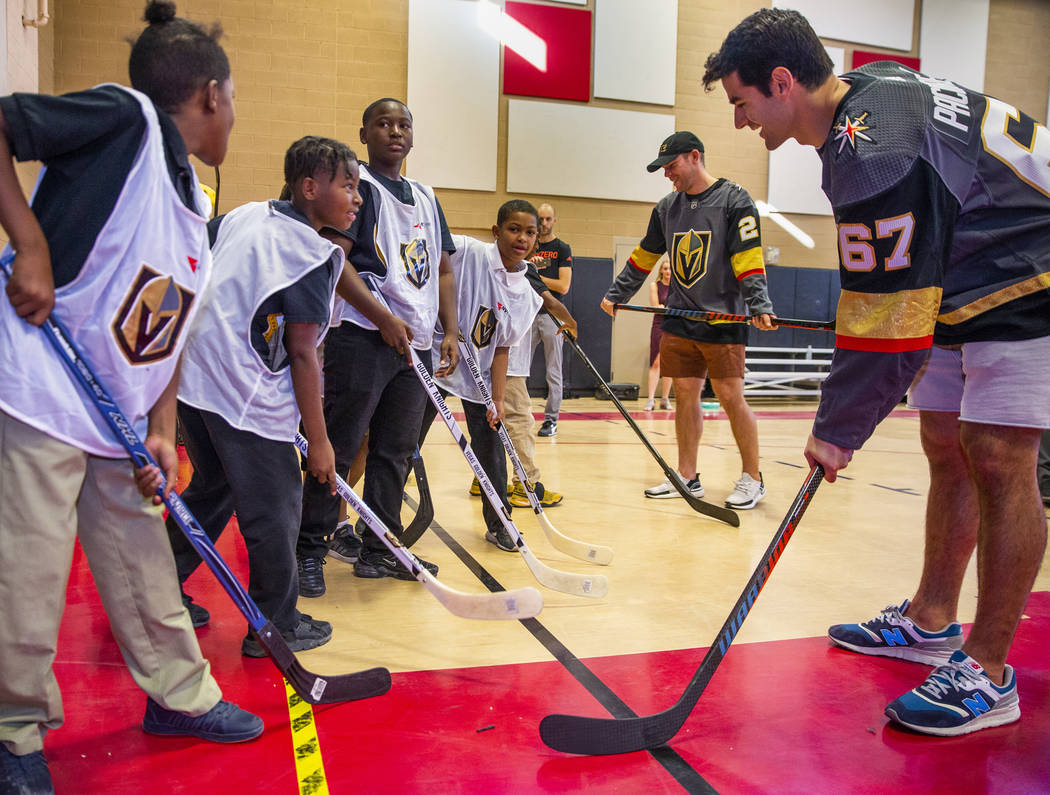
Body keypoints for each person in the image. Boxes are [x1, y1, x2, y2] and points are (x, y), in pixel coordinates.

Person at [703, 8, 1050, 736]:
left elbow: (884, 322)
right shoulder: (867, 97)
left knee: (997, 453)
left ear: (782, 82)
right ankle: (930, 618)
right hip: (966, 269)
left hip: (1030, 267)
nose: (739, 122)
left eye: (741, 102)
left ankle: (987, 669)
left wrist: (835, 431)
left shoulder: (871, 148)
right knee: (944, 446)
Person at [0, 3, 262, 791]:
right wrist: (31, 242)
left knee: (145, 565)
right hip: (43, 389)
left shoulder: (196, 205)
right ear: (211, 95)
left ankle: (178, 696)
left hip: (116, 416)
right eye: (234, 99)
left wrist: (161, 426)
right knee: (29, 571)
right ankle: (12, 732)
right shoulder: (125, 120)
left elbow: (169, 331)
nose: (234, 115)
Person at [166, 136, 359, 654]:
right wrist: (319, 442)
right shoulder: (310, 254)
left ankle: (160, 595)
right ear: (310, 187)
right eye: (348, 185)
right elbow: (301, 354)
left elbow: (194, 263)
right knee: (275, 510)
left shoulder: (244, 214)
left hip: (196, 383)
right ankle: (276, 625)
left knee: (212, 489)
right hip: (243, 395)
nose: (357, 197)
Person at [306, 97, 459, 585]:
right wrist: (382, 316)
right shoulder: (359, 189)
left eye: (403, 124)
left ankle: (381, 547)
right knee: (341, 447)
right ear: (364, 134)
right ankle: (308, 549)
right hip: (362, 336)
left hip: (414, 345)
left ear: (412, 136)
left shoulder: (427, 196)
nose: (395, 131)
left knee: (397, 451)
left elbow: (442, 269)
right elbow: (336, 259)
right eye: (383, 124)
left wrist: (450, 330)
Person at [600, 131, 775, 509]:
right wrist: (616, 295)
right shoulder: (666, 208)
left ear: (695, 156)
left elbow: (748, 259)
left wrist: (759, 304)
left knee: (730, 397)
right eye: (663, 168)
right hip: (679, 316)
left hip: (723, 318)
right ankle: (687, 475)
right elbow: (644, 257)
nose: (667, 174)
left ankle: (753, 478)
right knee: (684, 397)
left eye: (672, 165)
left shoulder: (734, 199)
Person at [419, 200, 544, 550]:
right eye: (514, 229)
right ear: (496, 231)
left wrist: (500, 399)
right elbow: (433, 254)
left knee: (491, 449)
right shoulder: (470, 252)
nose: (521, 238)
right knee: (405, 441)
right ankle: (383, 522)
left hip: (482, 375)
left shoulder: (525, 294)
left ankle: (500, 522)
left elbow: (502, 347)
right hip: (438, 357)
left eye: (530, 232)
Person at [529, 203, 573, 437]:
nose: (544, 223)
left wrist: (536, 277)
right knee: (517, 368)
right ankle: (519, 414)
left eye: (548, 219)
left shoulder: (561, 248)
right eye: (541, 219)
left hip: (552, 317)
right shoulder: (529, 246)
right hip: (527, 316)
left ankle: (551, 420)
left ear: (554, 220)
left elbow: (563, 285)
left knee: (553, 371)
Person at [645, 258, 674, 411]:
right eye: (665, 268)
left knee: (669, 363)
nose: (668, 271)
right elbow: (657, 306)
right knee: (656, 362)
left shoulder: (678, 288)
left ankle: (665, 399)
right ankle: (650, 399)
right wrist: (664, 308)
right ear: (661, 270)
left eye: (670, 269)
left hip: (674, 325)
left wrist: (669, 308)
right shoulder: (654, 285)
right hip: (659, 324)